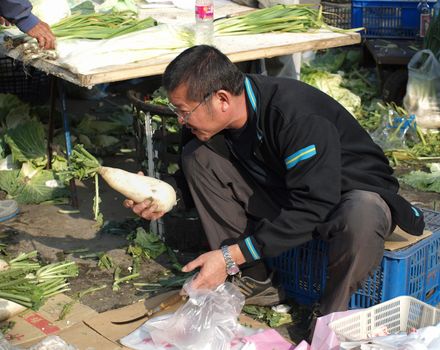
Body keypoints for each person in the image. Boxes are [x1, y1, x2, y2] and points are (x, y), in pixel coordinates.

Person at [124, 45, 425, 316]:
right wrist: (163, 196)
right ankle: (256, 279)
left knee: (362, 213)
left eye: (183, 111)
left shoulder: (294, 116)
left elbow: (314, 204)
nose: (181, 120)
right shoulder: (205, 123)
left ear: (222, 100)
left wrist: (230, 256)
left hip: (345, 193)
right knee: (197, 157)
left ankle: (332, 317)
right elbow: (199, 179)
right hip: (285, 186)